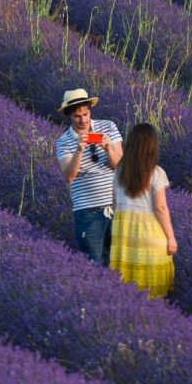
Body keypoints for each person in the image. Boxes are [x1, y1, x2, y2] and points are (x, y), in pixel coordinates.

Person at [54, 87, 124, 265]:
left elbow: (122, 167)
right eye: (77, 116)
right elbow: (69, 177)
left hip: (118, 207)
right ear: (69, 116)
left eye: (86, 113)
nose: (83, 120)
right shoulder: (63, 142)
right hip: (88, 213)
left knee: (123, 264)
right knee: (92, 264)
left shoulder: (108, 127)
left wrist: (108, 148)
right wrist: (79, 149)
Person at [109, 122, 176, 297]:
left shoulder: (119, 172)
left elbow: (115, 203)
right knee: (153, 295)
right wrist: (171, 238)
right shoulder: (157, 173)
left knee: (126, 291)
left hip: (125, 241)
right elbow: (161, 208)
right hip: (150, 237)